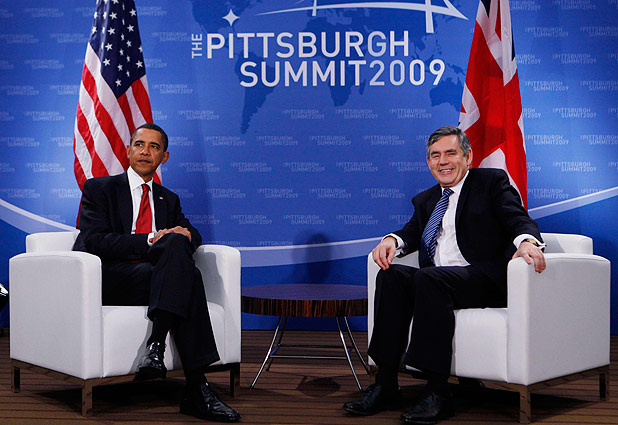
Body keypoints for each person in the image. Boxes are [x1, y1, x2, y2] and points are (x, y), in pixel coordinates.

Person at [343, 126, 546, 424]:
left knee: (428, 278)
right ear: (428, 162)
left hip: (482, 280)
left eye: (451, 153)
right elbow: (412, 232)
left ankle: (437, 392)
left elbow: (517, 218)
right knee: (391, 276)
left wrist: (527, 241)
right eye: (435, 156)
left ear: (468, 156)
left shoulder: (490, 183)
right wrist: (392, 240)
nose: (443, 162)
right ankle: (385, 384)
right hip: (438, 283)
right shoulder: (426, 200)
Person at [73, 123, 240, 423]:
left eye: (154, 147)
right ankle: (196, 386)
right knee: (189, 277)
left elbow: (193, 234)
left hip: (156, 279)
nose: (145, 152)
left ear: (164, 157)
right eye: (139, 145)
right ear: (128, 150)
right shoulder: (100, 188)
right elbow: (95, 241)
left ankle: (156, 350)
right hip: (111, 278)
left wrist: (182, 235)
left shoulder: (167, 199)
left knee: (178, 247)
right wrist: (151, 239)